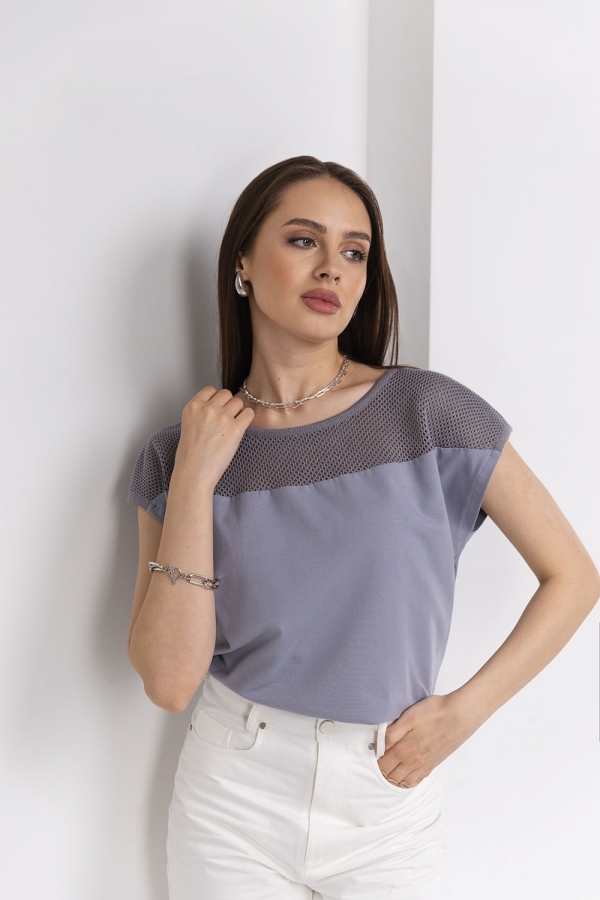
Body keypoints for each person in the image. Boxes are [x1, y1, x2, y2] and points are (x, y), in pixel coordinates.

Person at [126, 155, 600, 900]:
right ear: (243, 260)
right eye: (304, 240)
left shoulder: (429, 414)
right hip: (232, 796)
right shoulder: (176, 453)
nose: (333, 269)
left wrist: (463, 714)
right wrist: (193, 481)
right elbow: (170, 680)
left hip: (386, 796)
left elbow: (573, 577)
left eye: (354, 252)